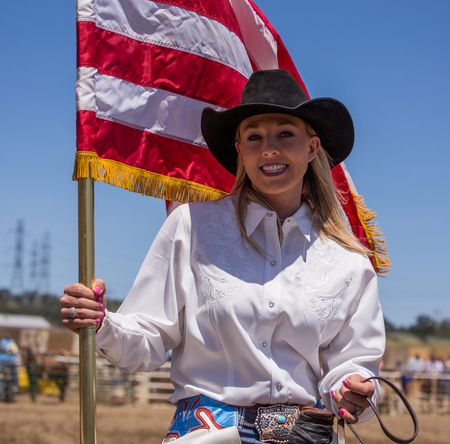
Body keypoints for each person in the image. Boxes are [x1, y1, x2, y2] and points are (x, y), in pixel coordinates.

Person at [60, 69, 385, 443]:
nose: (269, 149)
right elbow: (148, 339)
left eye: (285, 134)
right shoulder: (191, 227)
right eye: (254, 137)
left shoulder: (349, 261)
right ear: (239, 150)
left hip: (303, 435)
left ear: (311, 148)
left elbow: (351, 363)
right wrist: (101, 323)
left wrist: (350, 388)